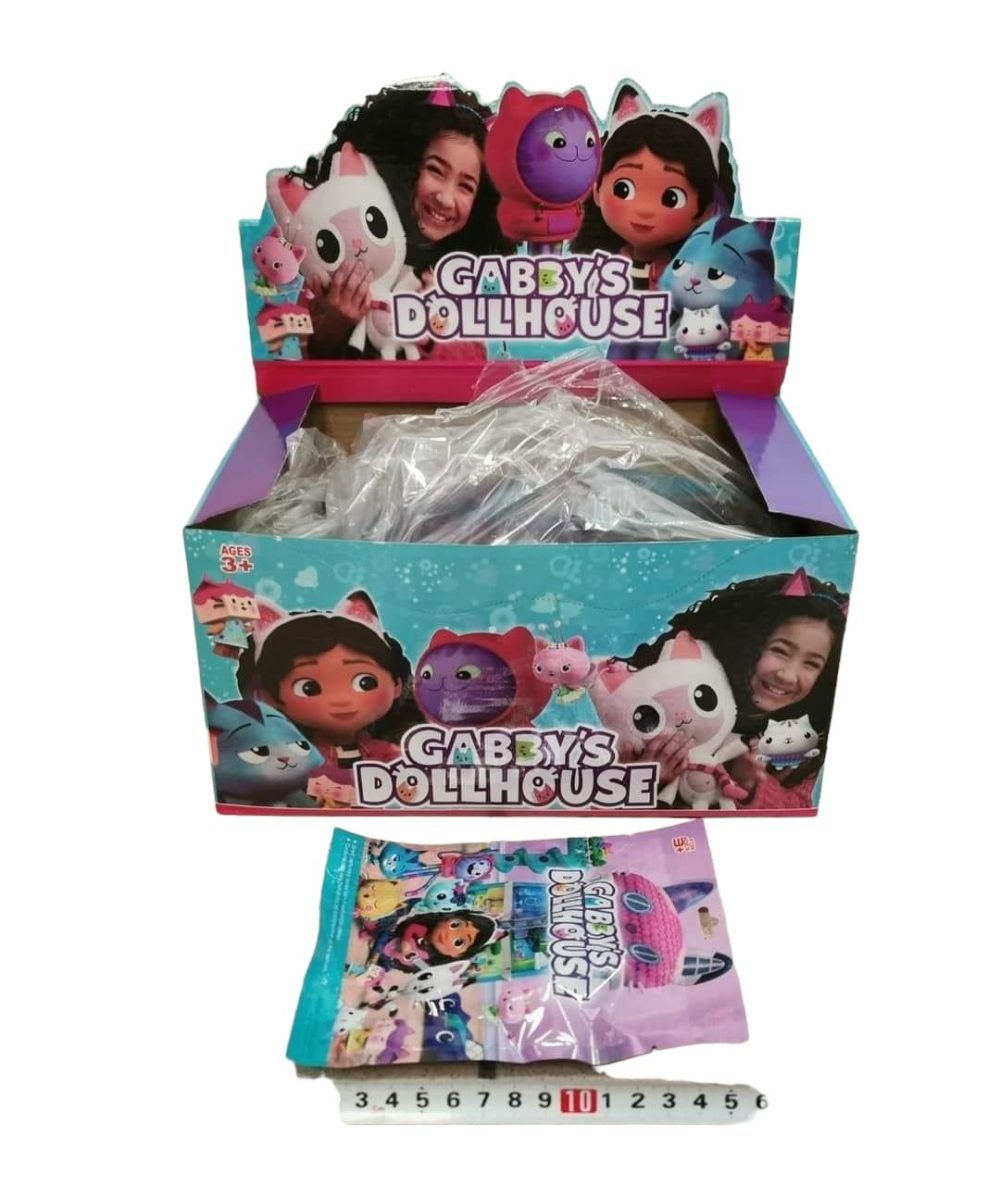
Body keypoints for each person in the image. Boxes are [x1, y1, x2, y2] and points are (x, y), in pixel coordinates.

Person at [286, 83, 510, 359]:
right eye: (435, 170)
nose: (445, 198)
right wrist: (331, 328)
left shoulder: (461, 280)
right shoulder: (341, 252)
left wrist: (436, 327)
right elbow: (292, 352)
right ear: (406, 167)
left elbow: (473, 367)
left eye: (466, 186)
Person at [617, 570, 848, 810]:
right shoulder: (670, 695)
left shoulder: (801, 741)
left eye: (812, 664)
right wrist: (641, 779)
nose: (787, 675)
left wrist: (751, 785)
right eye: (779, 650)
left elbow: (799, 809)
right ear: (745, 641)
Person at [571, 85, 736, 360]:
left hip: (659, 329)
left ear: (706, 210)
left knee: (651, 355)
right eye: (623, 189)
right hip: (618, 326)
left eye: (671, 198)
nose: (644, 210)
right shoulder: (608, 261)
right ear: (597, 190)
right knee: (617, 356)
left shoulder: (679, 269)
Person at [235, 591, 420, 789]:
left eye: (365, 683)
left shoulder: (384, 750)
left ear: (396, 684)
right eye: (308, 688)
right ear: (268, 696)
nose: (341, 700)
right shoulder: (300, 755)